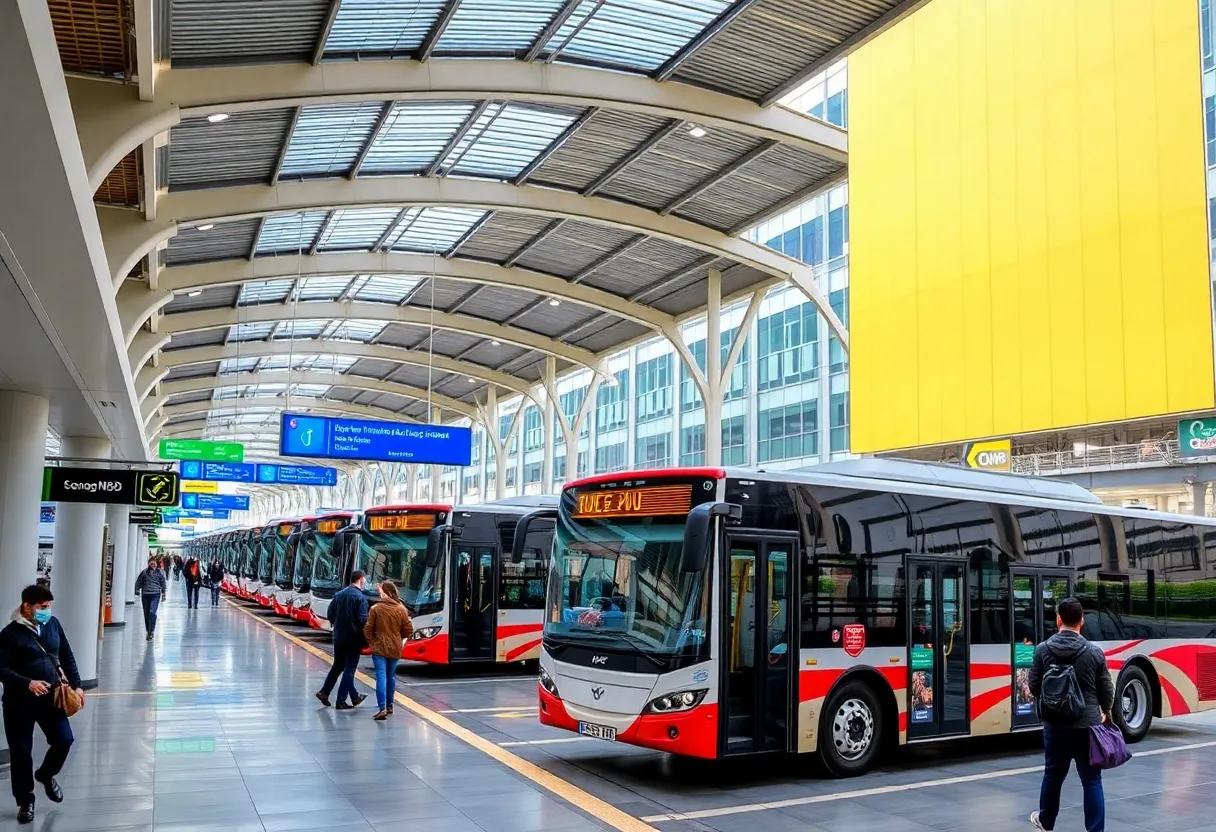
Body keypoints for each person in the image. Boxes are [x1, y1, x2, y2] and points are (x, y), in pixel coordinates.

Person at [1028, 597, 1115, 832]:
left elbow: (1034, 686)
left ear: (1058, 620)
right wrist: (1106, 712)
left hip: (1055, 726)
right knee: (1092, 780)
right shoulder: (1094, 653)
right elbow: (1106, 690)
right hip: (1087, 727)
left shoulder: (1043, 650)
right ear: (1082, 621)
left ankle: (1046, 821)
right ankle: (1095, 830)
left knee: (1053, 776)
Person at [0, 584, 83, 825]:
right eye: (42, 607)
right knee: (21, 751)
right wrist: (26, 683)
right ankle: (26, 800)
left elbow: (66, 654)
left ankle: (46, 774)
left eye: (49, 606)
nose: (47, 611)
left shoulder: (52, 624)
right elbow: (2, 669)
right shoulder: (9, 635)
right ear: (27, 606)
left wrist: (77, 685)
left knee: (64, 739)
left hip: (52, 698)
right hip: (19, 702)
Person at [316, 571, 369, 710]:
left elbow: (330, 614)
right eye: (364, 580)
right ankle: (341, 700)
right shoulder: (360, 598)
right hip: (354, 638)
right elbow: (363, 620)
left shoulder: (338, 595)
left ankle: (325, 692)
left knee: (338, 665)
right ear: (361, 580)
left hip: (338, 636)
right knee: (349, 669)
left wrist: (338, 626)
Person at [363, 582, 414, 720]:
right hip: (395, 647)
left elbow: (368, 629)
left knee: (381, 675)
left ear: (387, 592)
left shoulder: (376, 609)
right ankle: (390, 705)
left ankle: (382, 708)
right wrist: (398, 638)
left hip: (379, 647)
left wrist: (372, 642)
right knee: (390, 676)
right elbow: (408, 630)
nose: (379, 593)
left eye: (381, 590)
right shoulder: (401, 609)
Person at [133, 557, 168, 641]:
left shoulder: (160, 573)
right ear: (148, 564)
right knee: (146, 614)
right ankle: (148, 631)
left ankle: (151, 630)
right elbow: (139, 582)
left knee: (152, 612)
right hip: (145, 595)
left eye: (154, 563)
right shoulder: (144, 572)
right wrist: (137, 590)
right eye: (151, 563)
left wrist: (163, 594)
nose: (153, 564)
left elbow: (163, 583)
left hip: (155, 595)